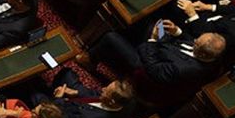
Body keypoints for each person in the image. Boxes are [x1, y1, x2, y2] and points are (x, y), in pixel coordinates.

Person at [82, 22, 227, 87]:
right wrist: (177, 31)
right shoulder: (213, 53)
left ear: (201, 53)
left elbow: (153, 69)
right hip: (165, 51)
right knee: (149, 23)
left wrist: (152, 41)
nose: (193, 40)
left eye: (196, 42)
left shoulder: (184, 69)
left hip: (145, 67)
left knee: (111, 37)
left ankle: (90, 60)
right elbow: (190, 43)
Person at [31, 70, 136, 118]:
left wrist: (59, 99)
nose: (102, 88)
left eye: (106, 91)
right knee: (67, 73)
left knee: (35, 93)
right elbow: (95, 95)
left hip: (63, 112)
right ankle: (50, 89)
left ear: (112, 102)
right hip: (80, 101)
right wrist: (76, 92)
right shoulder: (128, 101)